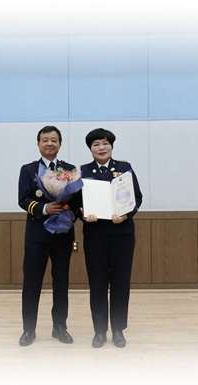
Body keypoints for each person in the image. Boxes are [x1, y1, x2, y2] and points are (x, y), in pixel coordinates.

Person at [77, 128, 143, 348]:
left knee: (120, 282)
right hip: (95, 235)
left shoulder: (124, 168)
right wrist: (83, 214)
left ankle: (118, 329)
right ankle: (99, 331)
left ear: (112, 146)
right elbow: (76, 202)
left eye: (105, 143)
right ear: (90, 149)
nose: (101, 147)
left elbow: (137, 198)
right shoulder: (84, 171)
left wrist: (126, 215)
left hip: (122, 234)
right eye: (96, 144)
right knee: (97, 283)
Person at [17, 125, 78, 346]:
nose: (49, 143)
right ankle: (28, 329)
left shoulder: (70, 170)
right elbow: (23, 199)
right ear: (38, 144)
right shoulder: (28, 170)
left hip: (62, 235)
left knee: (61, 283)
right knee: (31, 283)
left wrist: (69, 211)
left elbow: (77, 200)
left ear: (60, 144)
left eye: (54, 140)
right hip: (36, 235)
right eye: (45, 140)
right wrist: (44, 208)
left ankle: (59, 327)